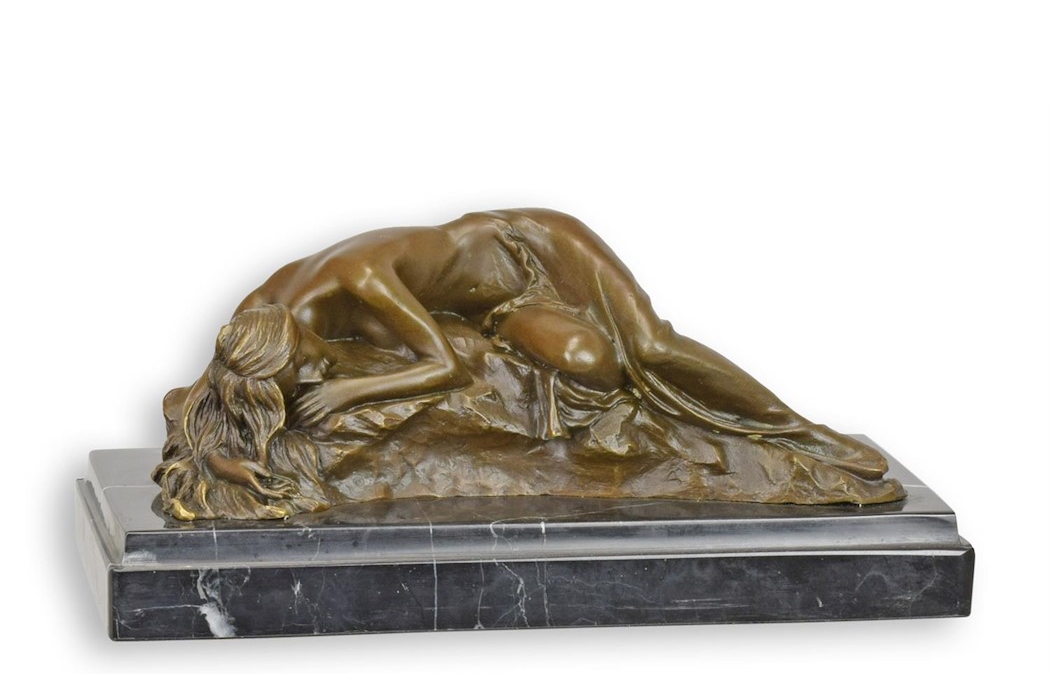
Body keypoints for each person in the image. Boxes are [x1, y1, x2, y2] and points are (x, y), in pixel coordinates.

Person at [154, 208, 888, 520]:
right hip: (495, 314)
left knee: (649, 351)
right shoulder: (257, 319)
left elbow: (443, 366)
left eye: (310, 369)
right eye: (303, 384)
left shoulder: (360, 280)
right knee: (589, 363)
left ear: (297, 340)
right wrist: (221, 461)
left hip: (533, 256)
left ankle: (806, 438)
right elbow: (190, 402)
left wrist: (353, 389)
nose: (316, 379)